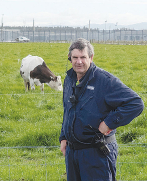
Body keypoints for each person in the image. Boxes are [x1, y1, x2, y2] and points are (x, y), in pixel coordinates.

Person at [59, 38, 144, 181]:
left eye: (83, 57)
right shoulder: (69, 80)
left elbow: (136, 103)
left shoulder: (104, 81)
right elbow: (68, 110)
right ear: (70, 58)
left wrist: (109, 122)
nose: (79, 61)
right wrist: (64, 137)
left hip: (96, 154)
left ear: (91, 58)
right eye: (75, 58)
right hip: (73, 153)